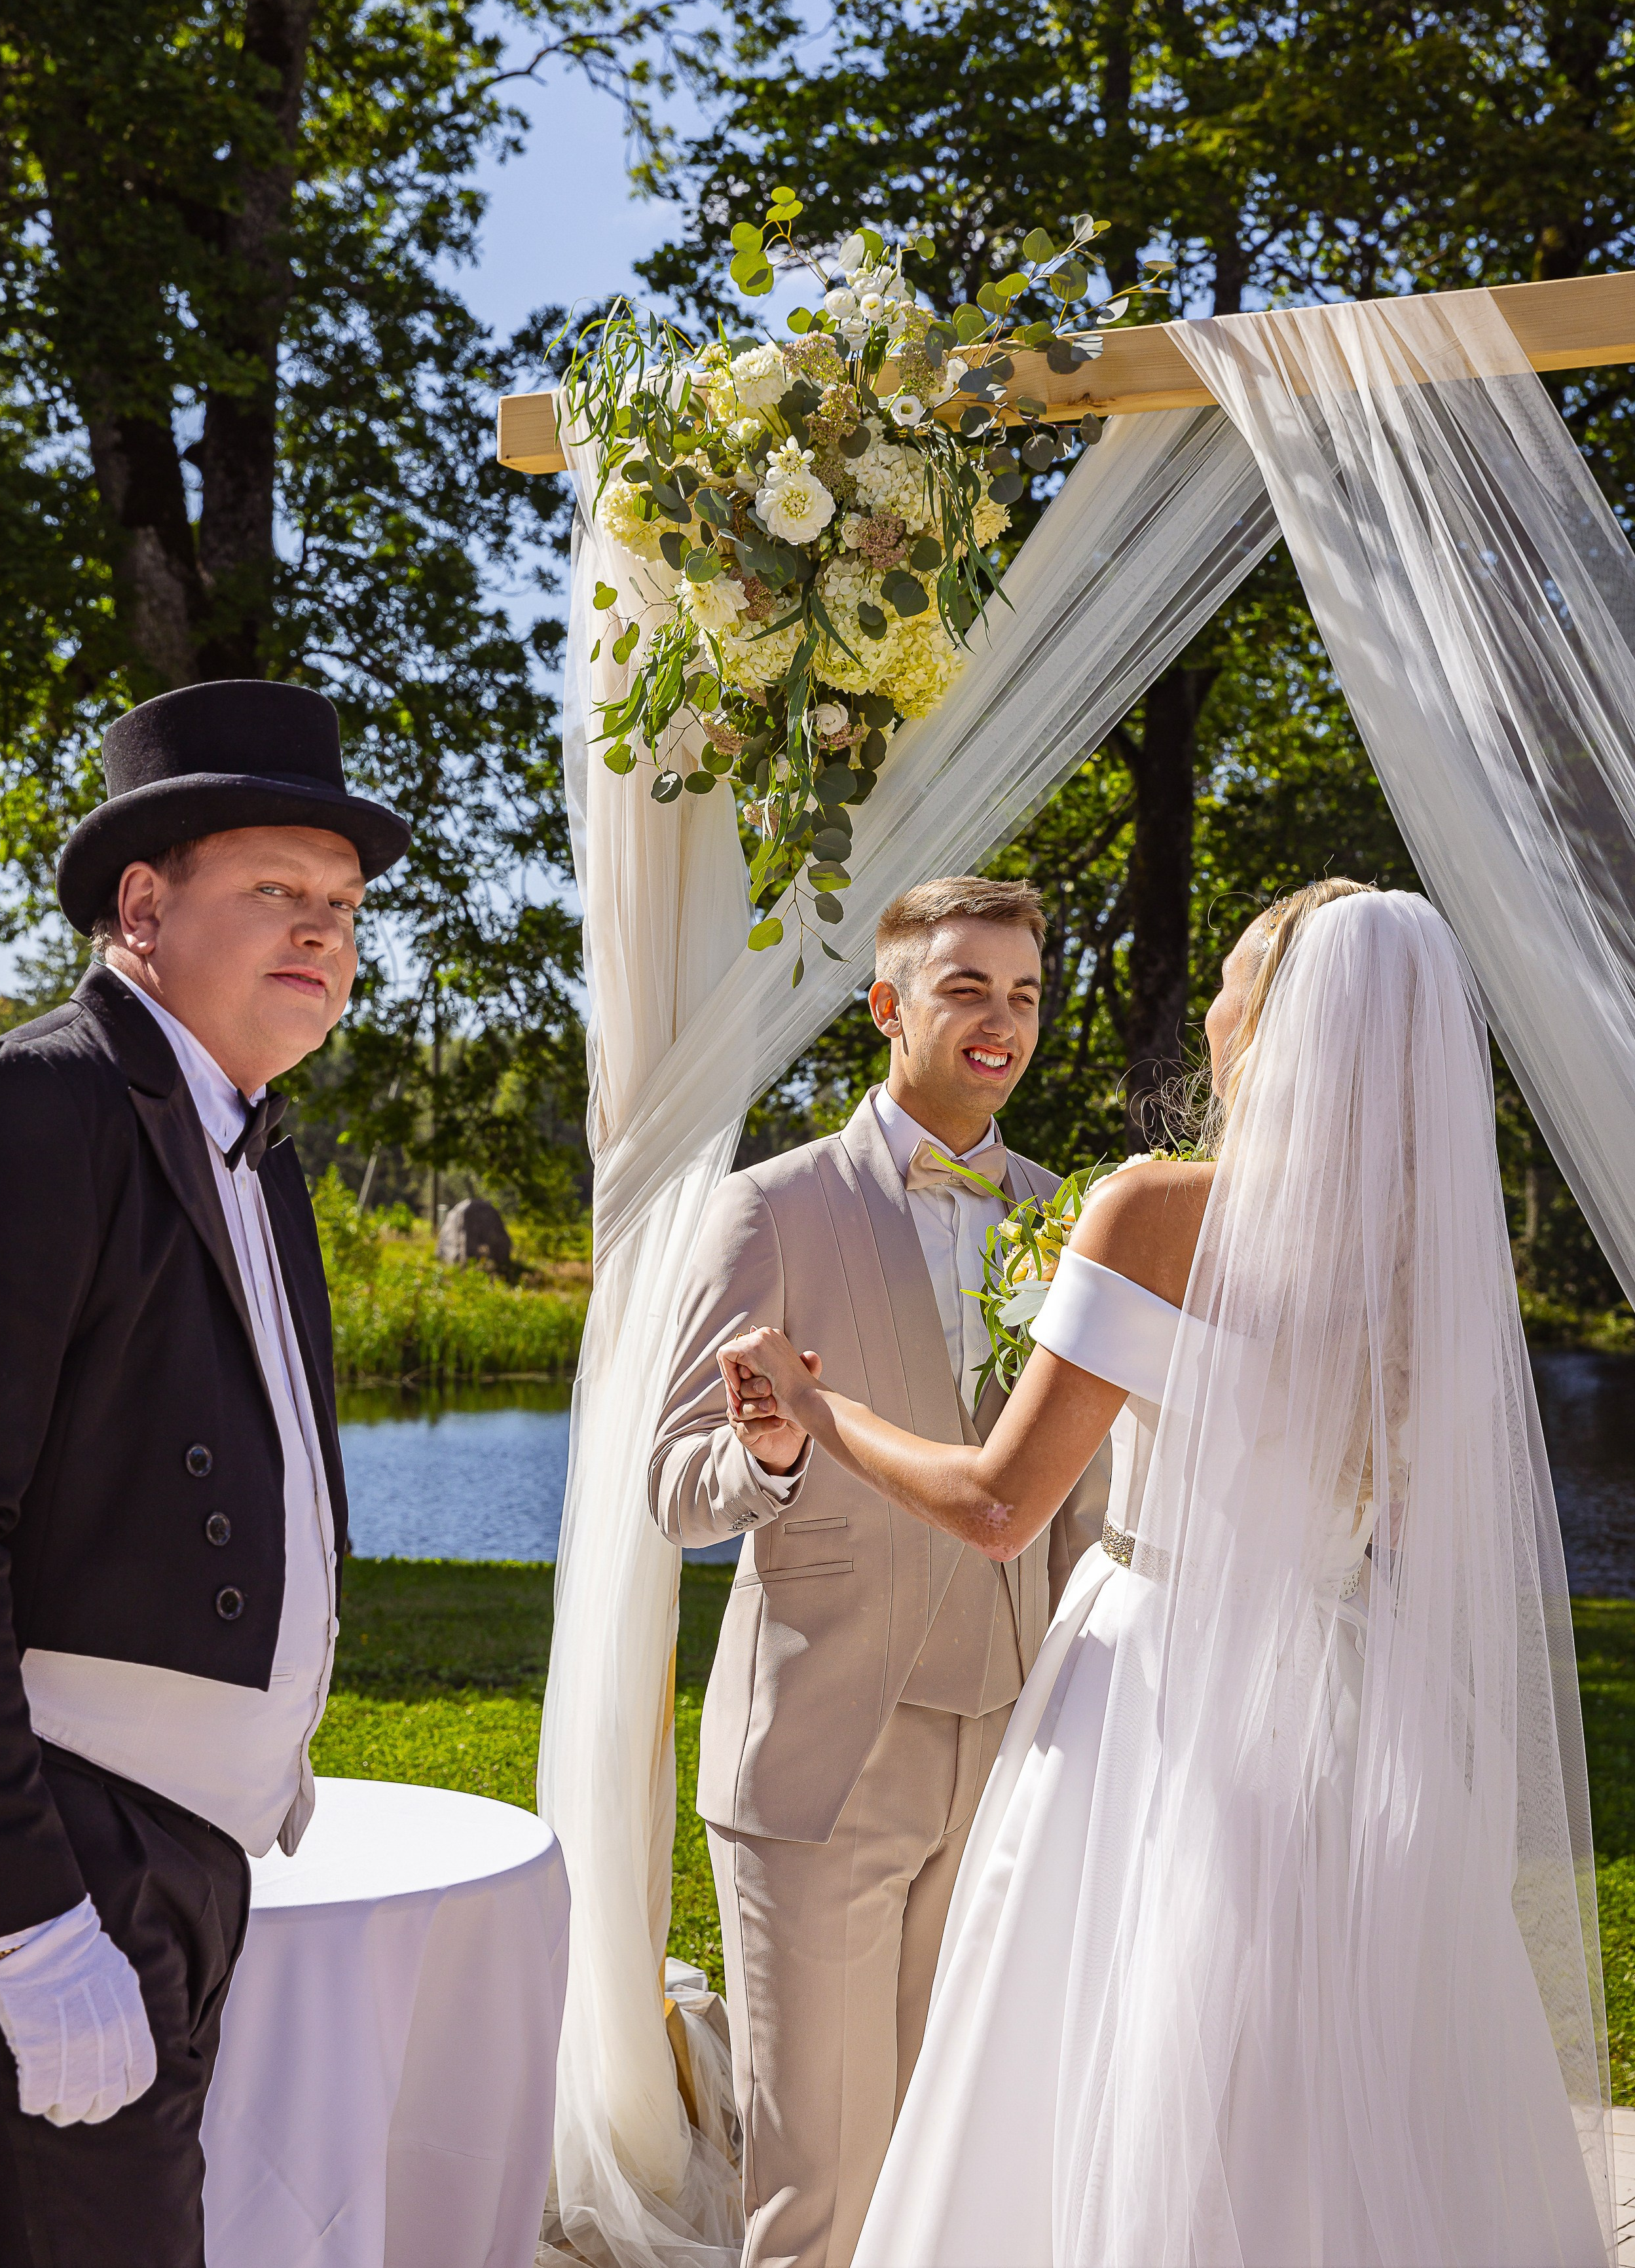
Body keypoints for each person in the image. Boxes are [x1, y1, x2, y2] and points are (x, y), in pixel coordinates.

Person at [723, 882, 1613, 2268]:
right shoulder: (1429, 1255)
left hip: (1154, 1687)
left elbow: (999, 1502)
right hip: (1346, 1699)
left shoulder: (1151, 1210)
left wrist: (809, 1404)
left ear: (1270, 1023)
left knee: (1118, 2066)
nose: (1204, 1003)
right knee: (1328, 2083)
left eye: (1231, 975)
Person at [0, 681, 409, 2268]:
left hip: (186, 1857)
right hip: (69, 1851)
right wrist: (21, 1914)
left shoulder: (253, 1141)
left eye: (345, 903)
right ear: (141, 906)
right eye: (277, 891)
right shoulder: (33, 1104)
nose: (325, 931)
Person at [650, 877, 1101, 2268]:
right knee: (821, 2180)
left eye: (1023, 992)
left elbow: (1068, 1491)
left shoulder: (1069, 1214)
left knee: (950, 2156)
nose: (1001, 1020)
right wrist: (771, 1456)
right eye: (966, 986)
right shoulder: (767, 1209)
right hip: (823, 1756)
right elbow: (675, 1488)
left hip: (1011, 1742)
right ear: (889, 1006)